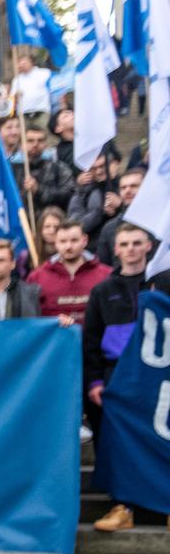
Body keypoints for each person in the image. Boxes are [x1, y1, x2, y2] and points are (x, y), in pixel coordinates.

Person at [84, 224, 170, 534]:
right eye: (125, 244)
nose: (131, 248)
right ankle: (123, 506)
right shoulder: (103, 290)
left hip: (160, 377)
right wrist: (94, 381)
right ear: (116, 249)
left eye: (137, 243)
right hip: (117, 377)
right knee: (118, 443)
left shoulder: (164, 283)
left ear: (149, 247)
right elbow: (91, 340)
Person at [29, 219, 110, 321]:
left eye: (74, 240)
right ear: (55, 243)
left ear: (85, 240)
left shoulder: (106, 275)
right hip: (56, 336)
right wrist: (53, 321)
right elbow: (30, 319)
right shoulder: (37, 277)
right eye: (63, 241)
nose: (68, 246)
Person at [94, 169, 146, 265]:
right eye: (123, 188)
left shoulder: (163, 222)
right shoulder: (110, 228)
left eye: (134, 186)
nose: (128, 190)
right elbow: (103, 266)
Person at [12, 52, 54, 130]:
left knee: (42, 133)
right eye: (19, 62)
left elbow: (53, 88)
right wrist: (16, 95)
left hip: (41, 111)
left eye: (24, 62)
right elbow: (12, 98)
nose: (21, 64)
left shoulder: (44, 73)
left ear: (31, 62)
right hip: (23, 114)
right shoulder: (16, 80)